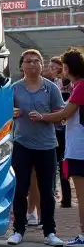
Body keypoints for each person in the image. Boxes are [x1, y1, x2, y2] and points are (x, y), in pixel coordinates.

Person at [7, 49, 64, 246]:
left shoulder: (51, 89)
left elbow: (61, 114)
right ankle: (18, 230)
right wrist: (10, 113)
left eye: (36, 61)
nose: (32, 64)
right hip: (21, 143)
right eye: (28, 61)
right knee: (20, 189)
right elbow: (2, 114)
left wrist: (43, 117)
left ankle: (50, 232)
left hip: (46, 145)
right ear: (21, 65)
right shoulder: (14, 89)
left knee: (47, 190)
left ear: (42, 64)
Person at [42, 48, 84, 247]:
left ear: (67, 67)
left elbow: (64, 114)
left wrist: (41, 117)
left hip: (79, 149)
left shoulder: (80, 86)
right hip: (78, 147)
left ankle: (83, 235)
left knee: (82, 196)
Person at [49, 56, 74, 207]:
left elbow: (67, 105)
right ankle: (53, 195)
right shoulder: (51, 84)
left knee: (62, 162)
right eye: (50, 67)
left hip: (64, 129)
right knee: (53, 163)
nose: (51, 69)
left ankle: (67, 198)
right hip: (54, 128)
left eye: (54, 67)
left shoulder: (68, 83)